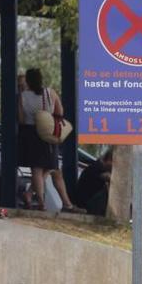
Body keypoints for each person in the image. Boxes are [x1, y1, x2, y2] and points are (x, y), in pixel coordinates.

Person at [18, 67, 81, 212]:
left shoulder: (22, 97)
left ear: (27, 81)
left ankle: (39, 201)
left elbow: (21, 119)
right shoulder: (49, 92)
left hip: (30, 134)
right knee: (51, 167)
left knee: (38, 169)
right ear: (41, 79)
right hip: (47, 134)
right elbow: (60, 112)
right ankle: (65, 204)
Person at [74, 150, 112, 214]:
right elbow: (107, 177)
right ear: (109, 160)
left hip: (87, 201)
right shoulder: (97, 167)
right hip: (86, 203)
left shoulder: (96, 166)